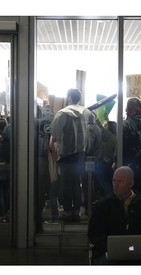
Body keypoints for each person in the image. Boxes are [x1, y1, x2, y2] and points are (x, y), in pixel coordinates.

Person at [88, 166, 141, 264]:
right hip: (110, 254)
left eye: (120, 182)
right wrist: (109, 247)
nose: (116, 185)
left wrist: (138, 246)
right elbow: (95, 233)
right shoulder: (102, 205)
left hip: (140, 254)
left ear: (131, 183)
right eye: (114, 181)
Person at [50, 88, 91, 222]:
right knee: (77, 183)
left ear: (68, 98)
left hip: (66, 155)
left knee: (66, 184)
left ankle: (67, 211)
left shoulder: (61, 114)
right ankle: (77, 211)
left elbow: (54, 135)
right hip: (81, 154)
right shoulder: (86, 112)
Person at [122, 97, 141, 166]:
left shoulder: (125, 125)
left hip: (130, 162)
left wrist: (115, 159)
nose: (125, 110)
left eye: (127, 108)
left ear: (131, 110)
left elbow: (121, 145)